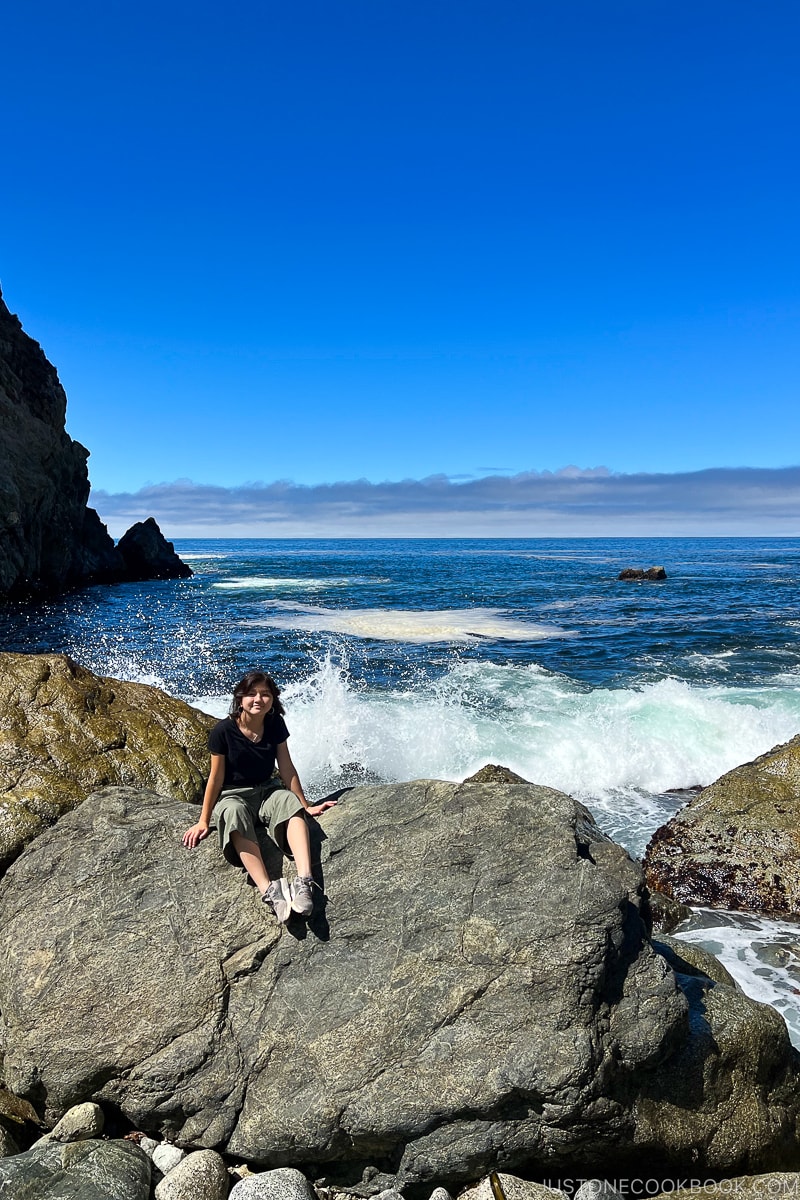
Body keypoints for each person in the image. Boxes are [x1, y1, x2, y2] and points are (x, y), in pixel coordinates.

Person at [183, 670, 336, 921]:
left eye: (265, 694)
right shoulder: (223, 731)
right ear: (239, 699)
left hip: (267, 790)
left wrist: (305, 805)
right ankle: (270, 892)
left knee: (289, 802)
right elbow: (216, 778)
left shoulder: (275, 723)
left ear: (273, 699)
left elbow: (286, 766)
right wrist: (203, 820)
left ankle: (304, 882)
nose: (258, 699)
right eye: (251, 694)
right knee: (232, 813)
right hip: (235, 795)